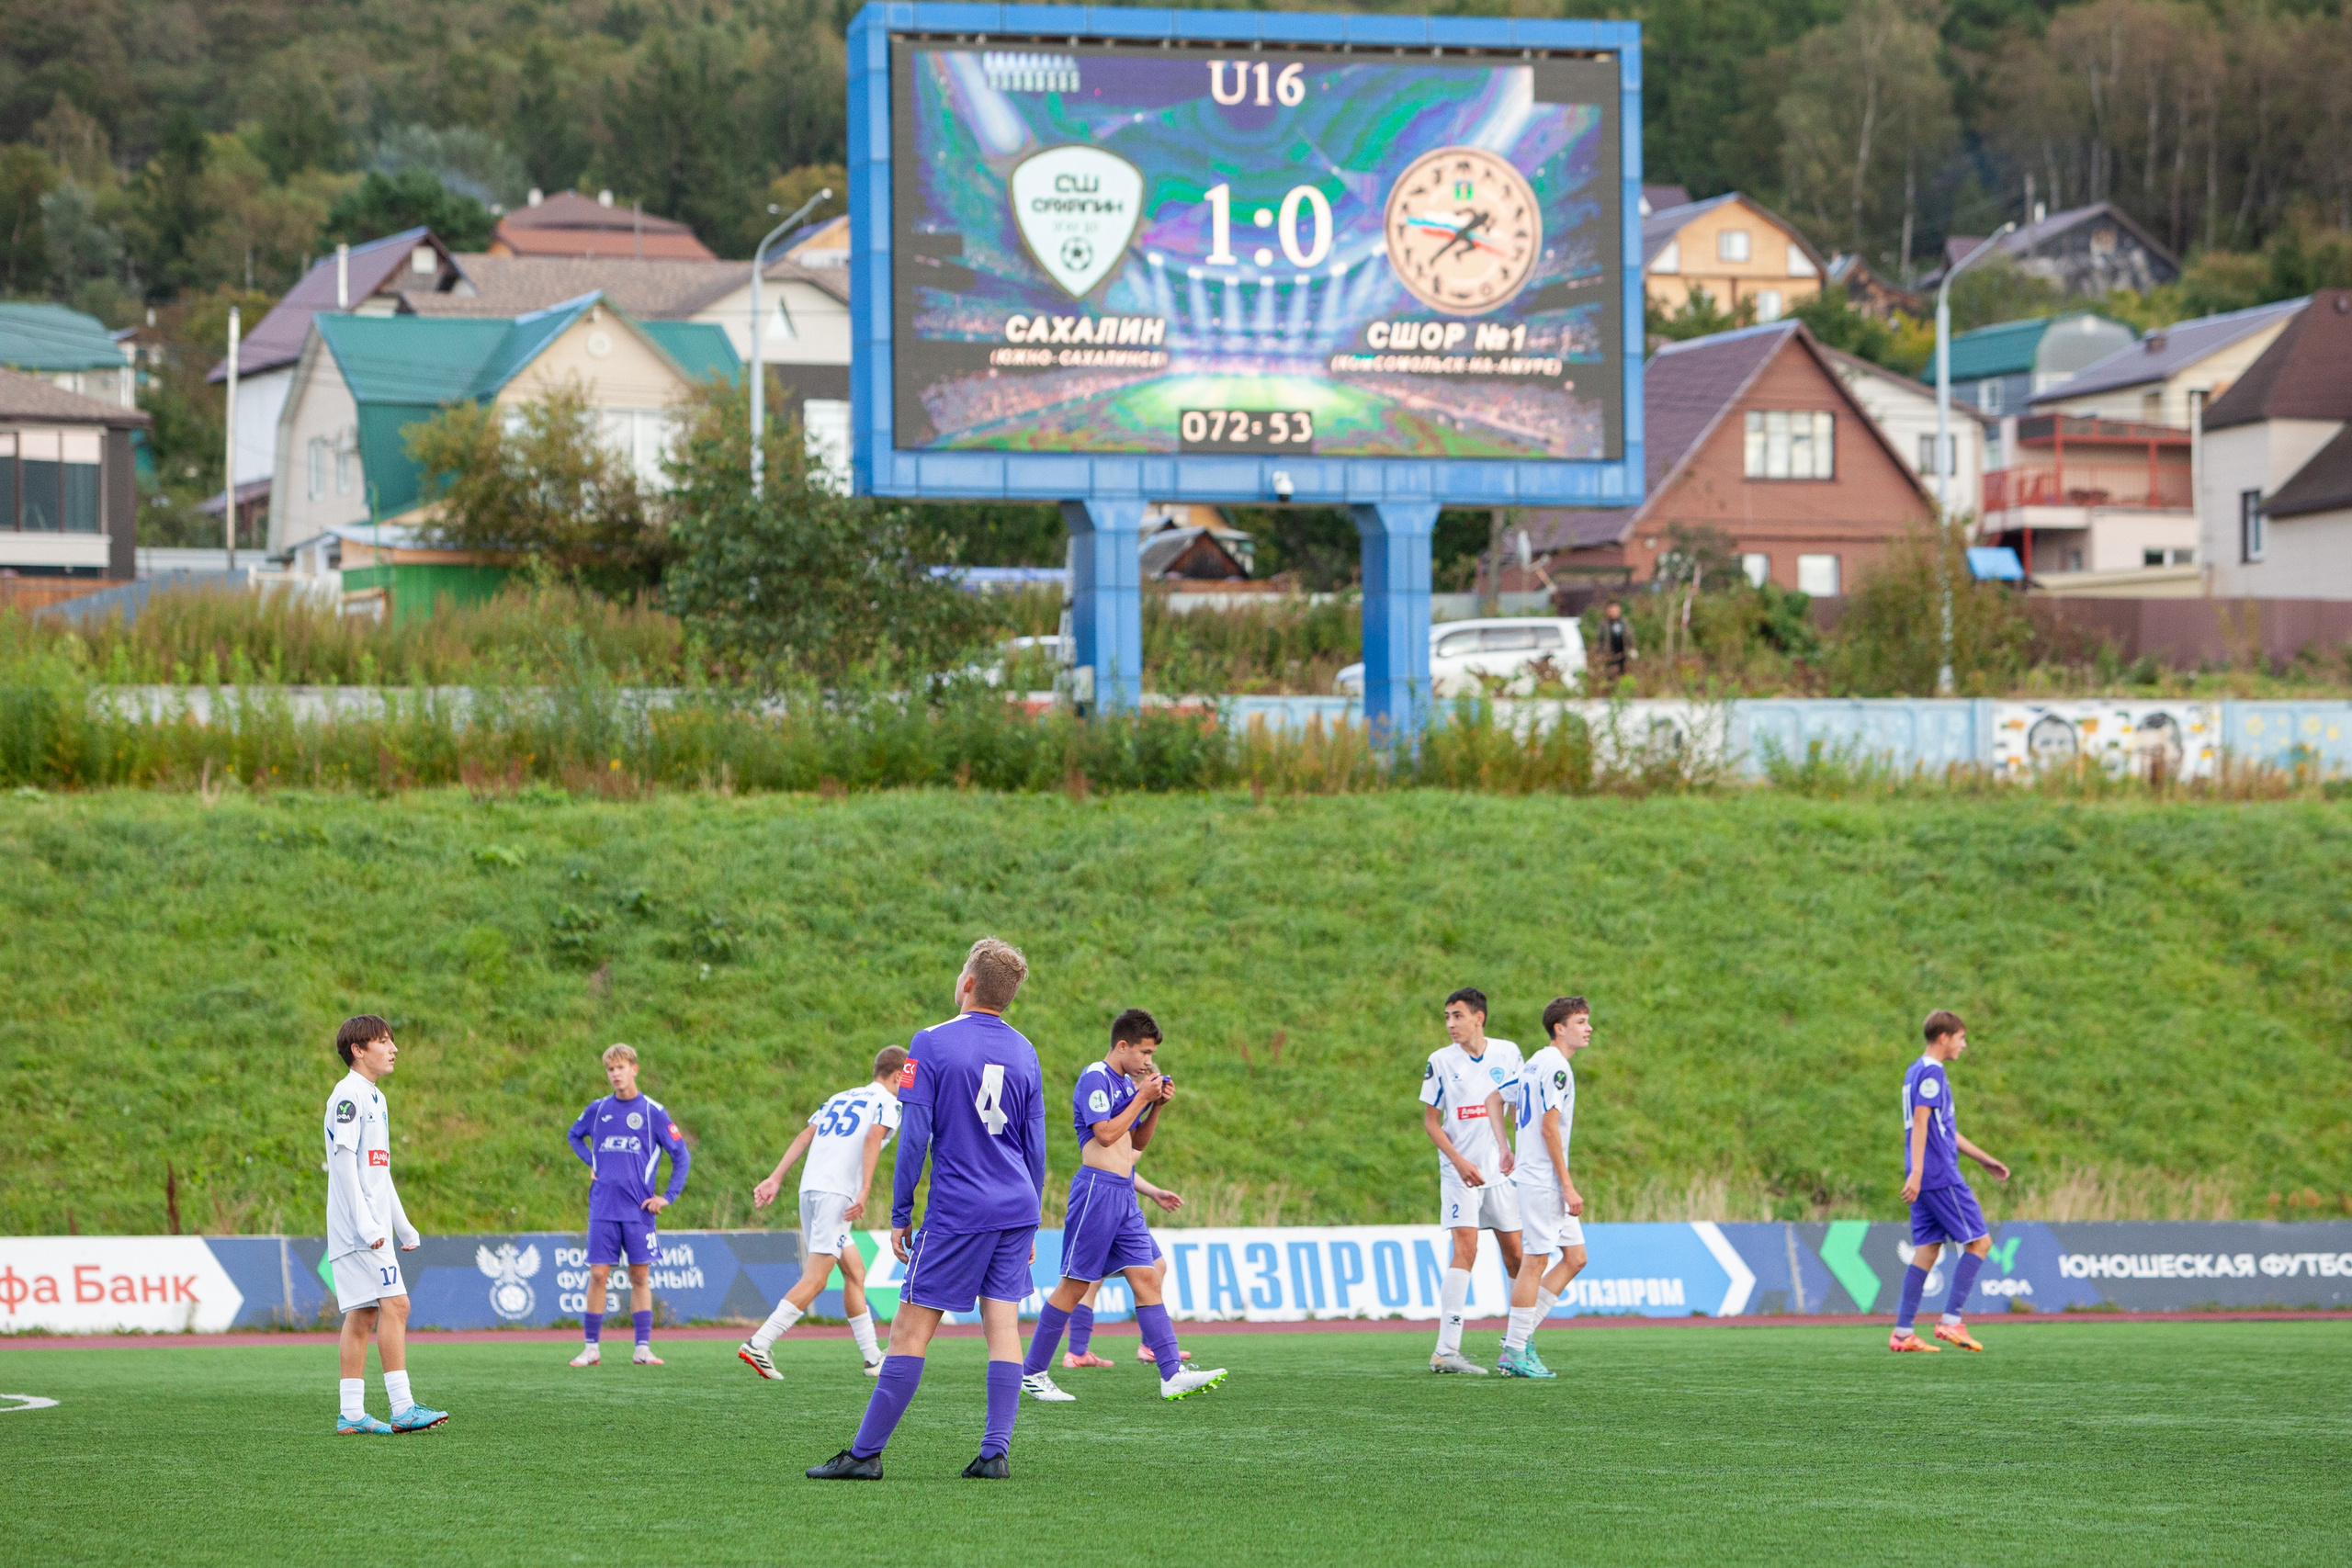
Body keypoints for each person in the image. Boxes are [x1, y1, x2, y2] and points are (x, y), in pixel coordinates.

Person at [807, 938, 1048, 1483]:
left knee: (909, 1332)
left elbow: (913, 1136)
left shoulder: (930, 1043)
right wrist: (1032, 1216)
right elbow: (1036, 1145)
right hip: (1016, 1206)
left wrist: (900, 1214)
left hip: (960, 1210)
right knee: (1003, 1325)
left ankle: (865, 1454)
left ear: (967, 983)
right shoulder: (1025, 1050)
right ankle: (994, 1453)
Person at [1019, 1009, 1226, 1404]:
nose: (1149, 1061)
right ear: (1122, 1046)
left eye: (1152, 1055)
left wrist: (1156, 1106)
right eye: (1144, 1052)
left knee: (1147, 1277)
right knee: (1075, 1285)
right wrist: (1141, 1096)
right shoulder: (1095, 1076)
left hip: (1123, 1194)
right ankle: (1033, 1372)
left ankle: (1171, 1374)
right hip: (1096, 1191)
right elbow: (1106, 1133)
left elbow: (1136, 1144)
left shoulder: (1125, 1085)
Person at [739, 1045, 906, 1379]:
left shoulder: (840, 1097)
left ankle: (872, 1357)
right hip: (837, 1193)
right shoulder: (890, 1103)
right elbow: (873, 1138)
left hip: (811, 1187)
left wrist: (775, 1177)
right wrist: (864, 1189)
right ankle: (760, 1343)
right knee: (816, 1278)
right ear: (898, 1075)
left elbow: (805, 1135)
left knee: (854, 1272)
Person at [322, 1015, 447, 1434]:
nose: (393, 1049)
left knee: (362, 1314)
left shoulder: (375, 1097)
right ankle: (403, 1407)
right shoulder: (347, 1096)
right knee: (397, 1305)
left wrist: (403, 1225)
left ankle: (352, 1414)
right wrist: (368, 1226)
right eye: (383, 1041)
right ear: (358, 1050)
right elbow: (342, 1166)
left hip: (368, 1228)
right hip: (359, 1231)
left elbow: (378, 1171)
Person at [1485, 996, 1593, 1379]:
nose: (1588, 1028)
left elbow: (1495, 1098)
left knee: (1576, 1257)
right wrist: (1568, 1186)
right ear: (1559, 1028)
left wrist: (1505, 1148)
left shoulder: (1535, 1062)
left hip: (1534, 1175)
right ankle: (1515, 1349)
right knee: (1535, 1261)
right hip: (1543, 1181)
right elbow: (1549, 1127)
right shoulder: (1557, 1067)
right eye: (1580, 1021)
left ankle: (1519, 1338)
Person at [1419, 987, 1525, 1374]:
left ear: (1478, 1018)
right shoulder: (1440, 1061)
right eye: (1446, 1017)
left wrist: (1514, 1151)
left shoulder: (1508, 1053)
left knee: (1515, 1254)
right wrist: (1459, 1161)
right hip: (1459, 1173)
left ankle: (1518, 1346)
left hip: (1500, 1173)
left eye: (1457, 1016)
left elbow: (1517, 1109)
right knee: (1466, 1250)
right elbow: (1432, 1122)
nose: (1450, 1024)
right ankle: (1446, 1350)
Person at [564, 1043, 691, 1367]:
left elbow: (681, 1156)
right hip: (603, 1206)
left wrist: (667, 1196)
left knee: (639, 1277)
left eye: (621, 1068)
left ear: (634, 1069)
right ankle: (591, 1347)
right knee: (598, 1275)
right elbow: (574, 1135)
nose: (615, 1074)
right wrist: (591, 1161)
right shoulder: (598, 1109)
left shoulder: (652, 1111)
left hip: (638, 1209)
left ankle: (642, 1349)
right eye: (610, 1069)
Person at [1893, 1010, 2011, 1353]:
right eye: (1961, 1037)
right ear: (1944, 1037)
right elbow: (1921, 1120)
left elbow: (1943, 1128)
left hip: (1923, 1173)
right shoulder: (1932, 1073)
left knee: (1928, 1250)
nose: (1964, 1044)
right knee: (1980, 1242)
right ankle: (1951, 1321)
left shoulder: (1915, 1070)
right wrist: (1918, 1171)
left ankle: (1903, 1331)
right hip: (1939, 1174)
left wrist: (1984, 1159)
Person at [1062, 1175, 1192, 1370]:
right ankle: (1149, 1347)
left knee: (1093, 1277)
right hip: (1111, 1202)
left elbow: (1124, 1163)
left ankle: (1077, 1352)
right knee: (1087, 1278)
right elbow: (1120, 1157)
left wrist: (1153, 1191)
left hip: (1118, 1200)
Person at [1598, 600, 1635, 683]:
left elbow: (1630, 636)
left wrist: (1632, 648)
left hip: (1624, 655)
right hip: (1610, 656)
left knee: (1625, 676)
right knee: (1610, 677)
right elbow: (1600, 640)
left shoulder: (1624, 622)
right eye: (1611, 610)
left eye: (1615, 610)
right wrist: (1601, 654)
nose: (1613, 612)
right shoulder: (1604, 624)